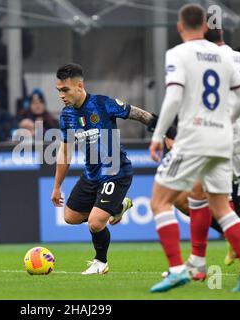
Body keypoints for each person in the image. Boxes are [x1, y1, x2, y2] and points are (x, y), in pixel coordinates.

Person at [149, 4, 240, 293]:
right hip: (222, 138)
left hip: (193, 137)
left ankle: (177, 269)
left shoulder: (177, 54)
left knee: (160, 202)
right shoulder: (225, 56)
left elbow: (174, 97)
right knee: (222, 207)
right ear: (205, 27)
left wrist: (158, 135)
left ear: (179, 27)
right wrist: (227, 118)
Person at [51, 63, 166, 275]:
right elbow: (64, 152)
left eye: (65, 90)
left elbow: (136, 113)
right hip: (91, 174)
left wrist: (164, 129)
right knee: (70, 217)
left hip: (116, 171)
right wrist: (57, 186)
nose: (61, 95)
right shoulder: (67, 115)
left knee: (95, 223)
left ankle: (101, 262)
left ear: (79, 86)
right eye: (58, 90)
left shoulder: (102, 104)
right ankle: (117, 206)